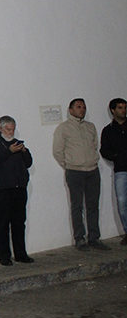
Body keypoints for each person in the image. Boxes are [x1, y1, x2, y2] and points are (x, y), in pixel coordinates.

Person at [54, 99, 110, 251]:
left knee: (93, 205)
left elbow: (95, 145)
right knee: (77, 206)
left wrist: (91, 160)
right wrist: (69, 164)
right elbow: (57, 151)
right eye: (78, 107)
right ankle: (79, 238)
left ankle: (94, 238)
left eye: (84, 107)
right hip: (75, 171)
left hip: (92, 170)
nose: (82, 109)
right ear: (70, 110)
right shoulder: (64, 128)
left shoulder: (90, 127)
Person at [0, 116, 34, 265]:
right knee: (3, 222)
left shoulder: (17, 143)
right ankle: (4, 256)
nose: (11, 132)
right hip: (2, 189)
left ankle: (20, 253)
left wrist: (24, 151)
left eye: (13, 129)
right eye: (8, 129)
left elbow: (28, 163)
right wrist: (9, 151)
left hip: (19, 188)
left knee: (19, 222)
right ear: (0, 128)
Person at [100, 97, 127, 245]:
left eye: (125, 107)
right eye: (120, 108)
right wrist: (117, 157)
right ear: (113, 110)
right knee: (122, 202)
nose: (123, 111)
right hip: (121, 170)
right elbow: (104, 150)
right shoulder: (108, 130)